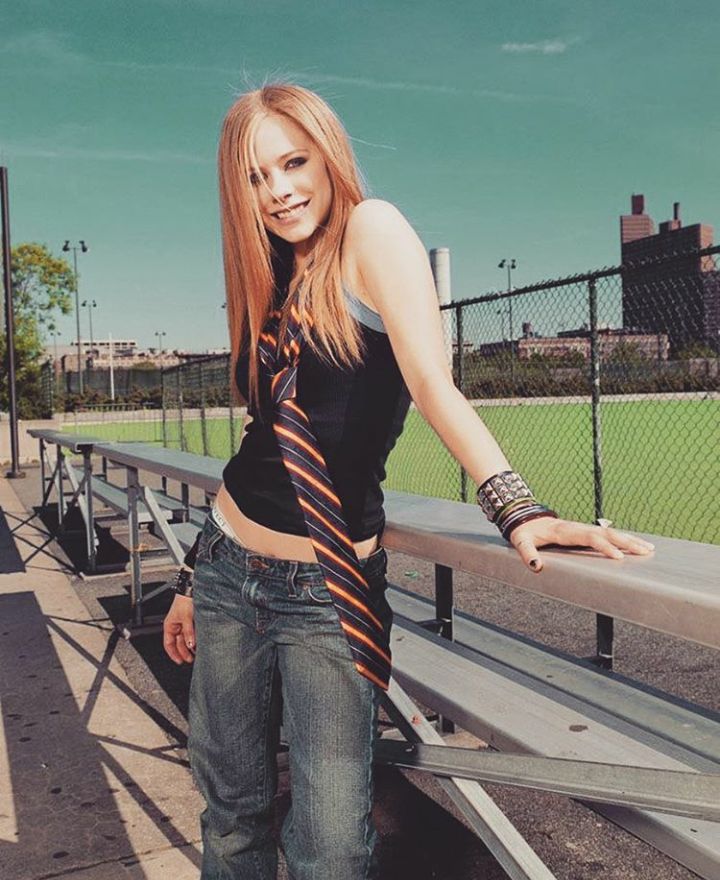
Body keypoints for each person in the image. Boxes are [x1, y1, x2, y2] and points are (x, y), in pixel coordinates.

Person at [162, 83, 655, 880]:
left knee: (329, 848)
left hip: (326, 591)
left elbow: (433, 384)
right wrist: (191, 575)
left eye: (294, 161)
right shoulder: (271, 274)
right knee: (231, 818)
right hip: (224, 571)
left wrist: (518, 508)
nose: (280, 188)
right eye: (257, 177)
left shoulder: (371, 230)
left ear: (328, 155)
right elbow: (263, 444)